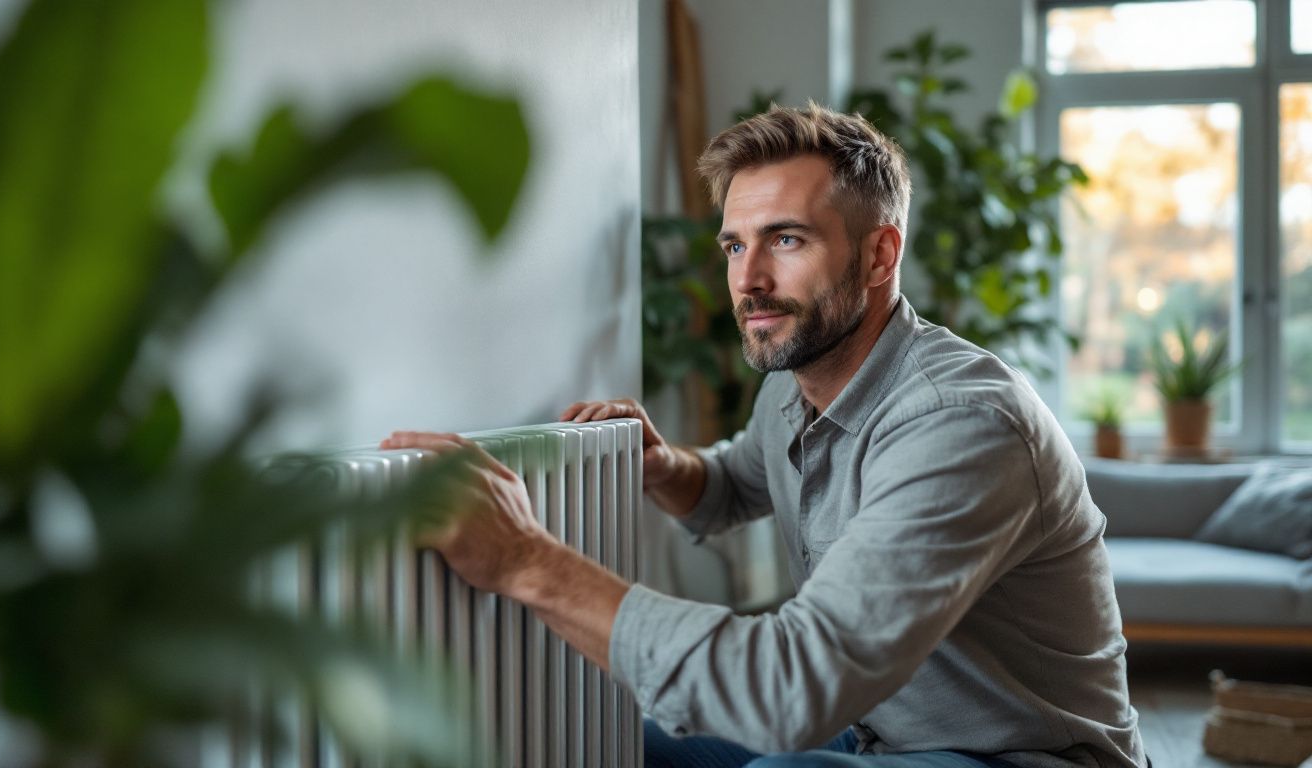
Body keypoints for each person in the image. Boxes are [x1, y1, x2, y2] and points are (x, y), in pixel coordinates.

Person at [382, 104, 1148, 768]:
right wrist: (664, 463)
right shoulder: (795, 377)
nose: (747, 281)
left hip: (1022, 756)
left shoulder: (961, 422)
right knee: (616, 749)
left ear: (880, 254)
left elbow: (791, 692)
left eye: (786, 241)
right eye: (734, 245)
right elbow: (736, 482)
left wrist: (523, 559)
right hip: (878, 735)